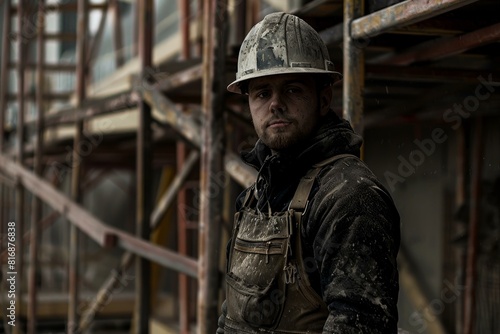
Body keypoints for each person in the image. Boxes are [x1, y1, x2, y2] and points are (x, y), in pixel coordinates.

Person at [218, 12, 400, 334]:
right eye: (262, 93)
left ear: (323, 98)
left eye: (292, 89)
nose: (275, 104)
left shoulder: (347, 197)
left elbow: (360, 324)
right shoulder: (256, 196)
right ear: (249, 104)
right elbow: (231, 316)